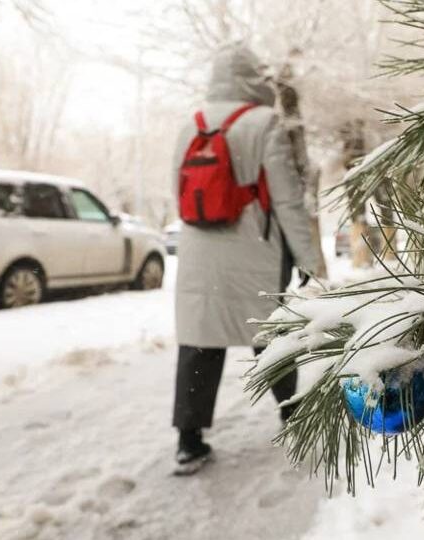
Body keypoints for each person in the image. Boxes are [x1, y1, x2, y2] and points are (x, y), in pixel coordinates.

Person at [170, 45, 321, 474]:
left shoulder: (190, 123)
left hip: (200, 251)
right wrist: (309, 260)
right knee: (268, 333)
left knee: (200, 341)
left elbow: (175, 188)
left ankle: (189, 439)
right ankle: (295, 417)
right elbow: (288, 198)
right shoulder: (264, 122)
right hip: (254, 247)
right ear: (254, 78)